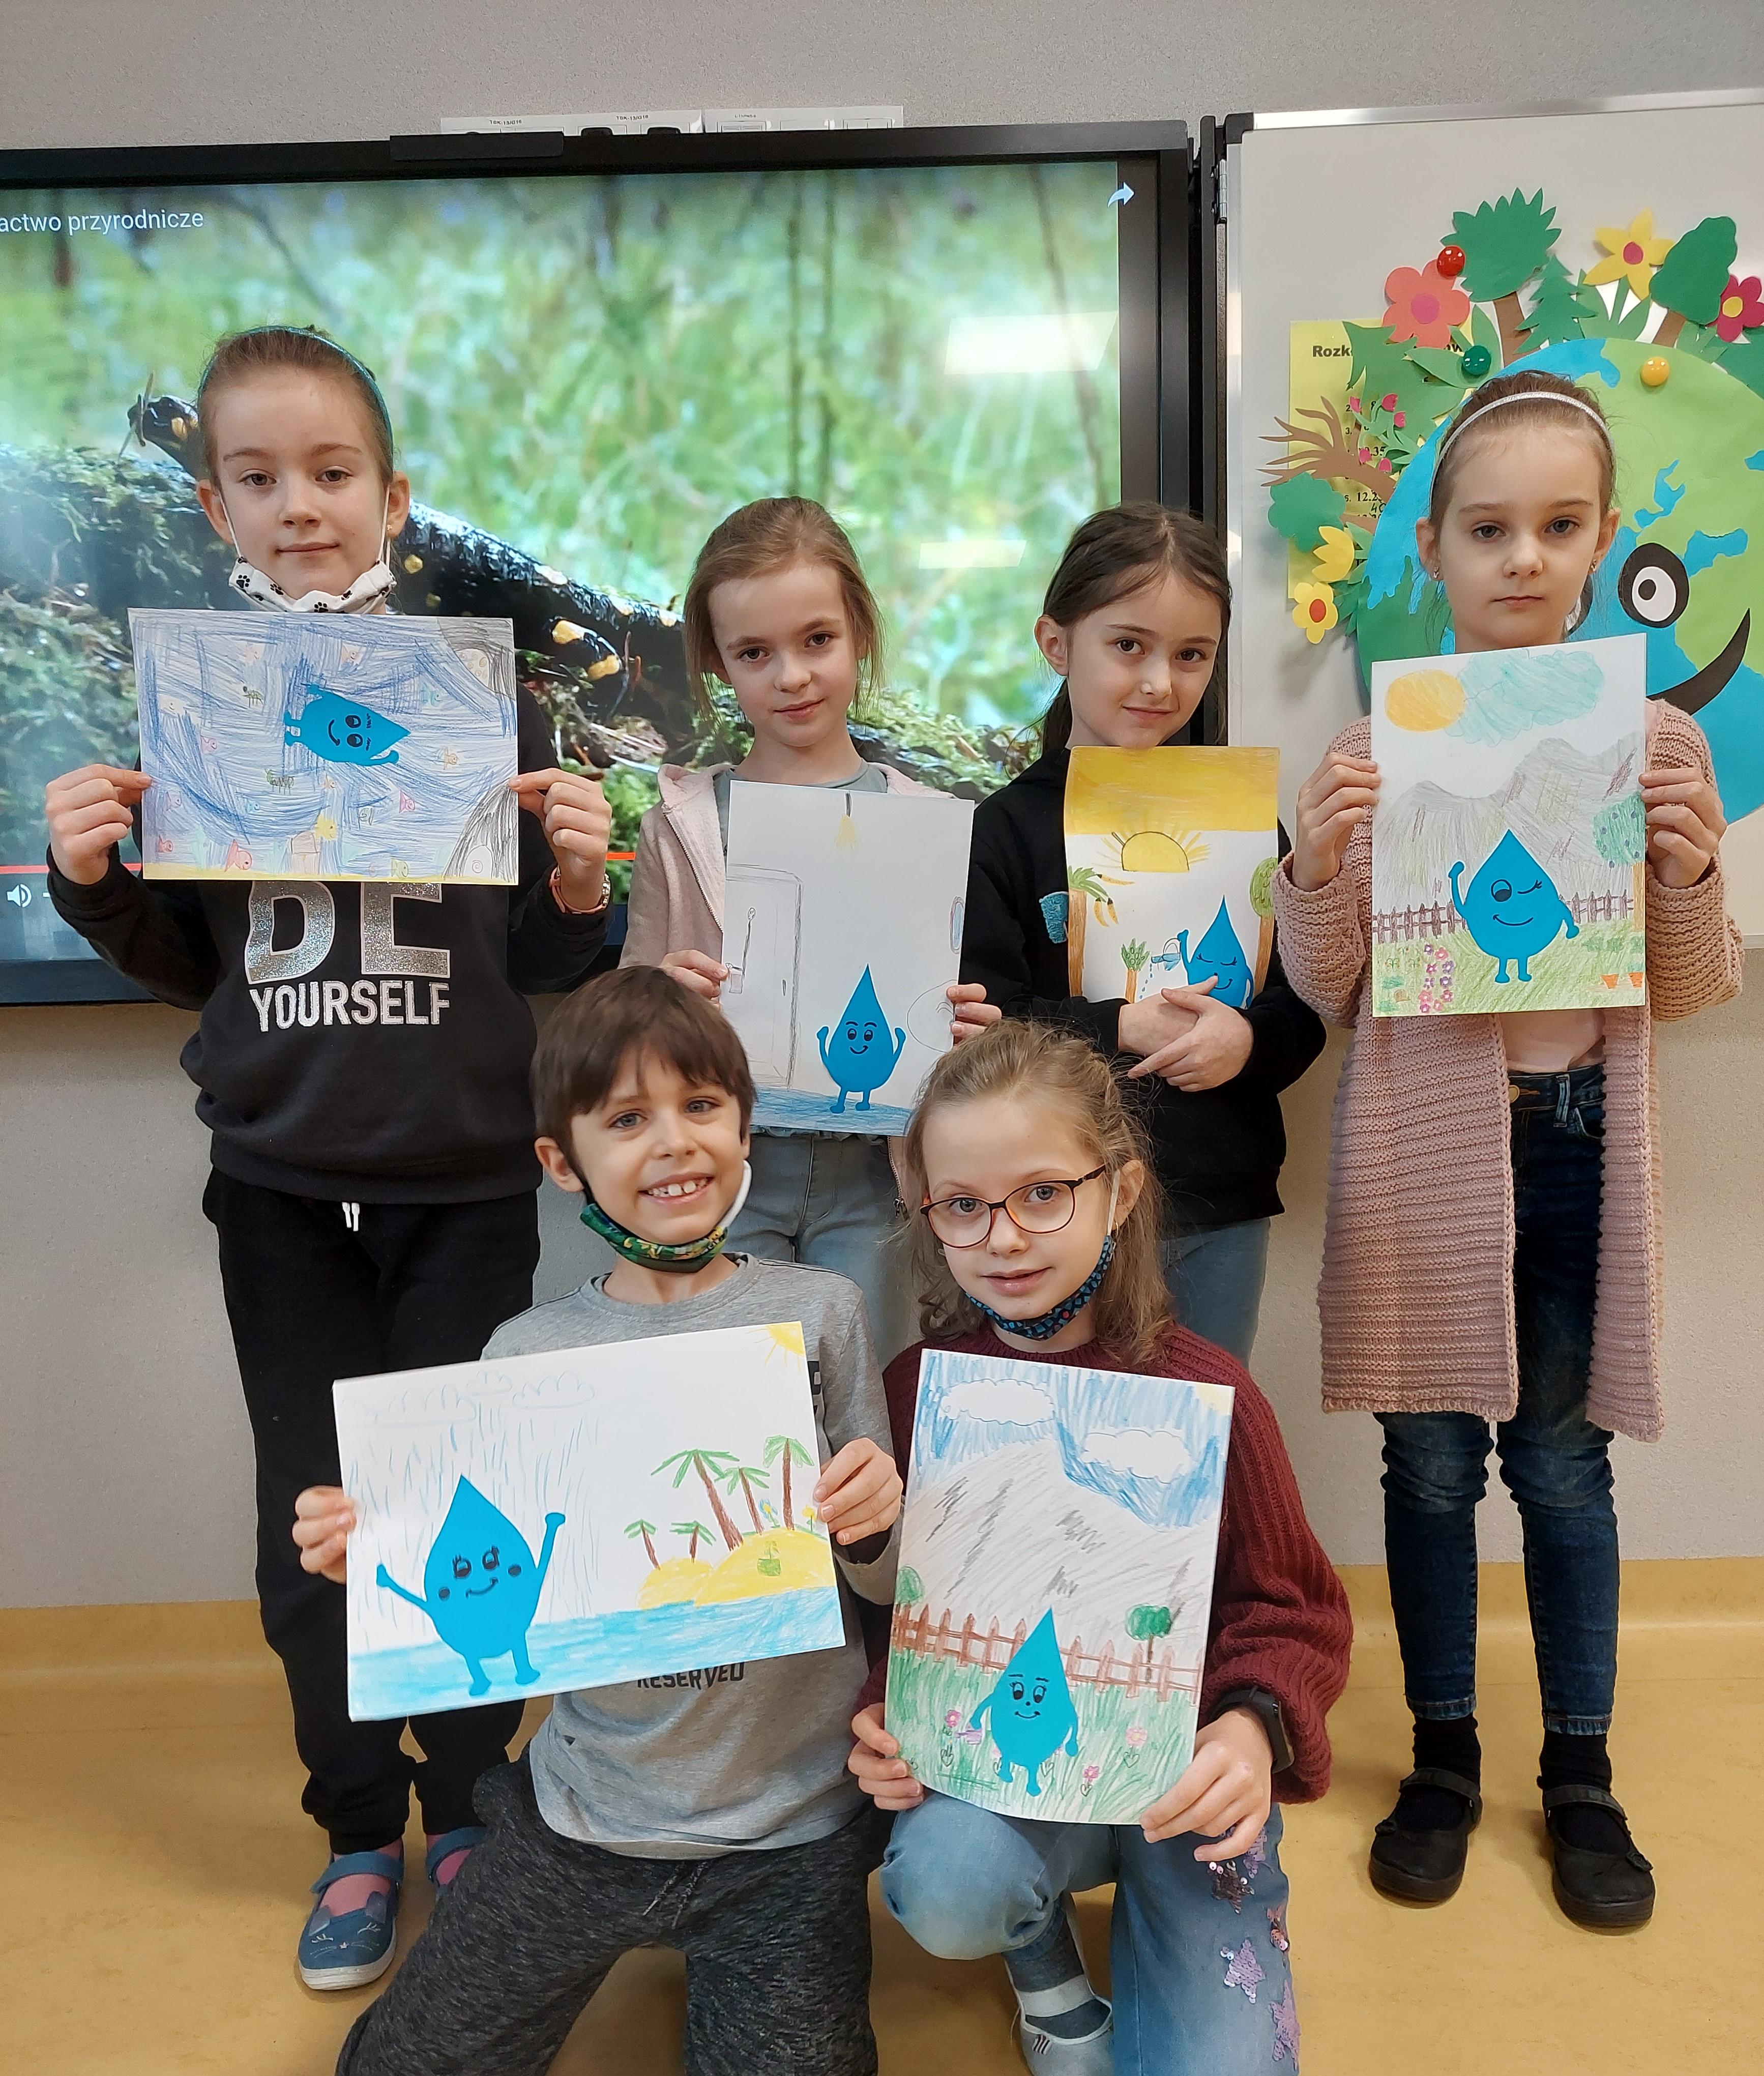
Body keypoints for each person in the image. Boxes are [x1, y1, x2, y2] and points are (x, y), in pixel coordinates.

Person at [42, 326, 614, 1990]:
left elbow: (546, 963)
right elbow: (184, 964)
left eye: (332, 470)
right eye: (260, 476)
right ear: (213, 505)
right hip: (282, 1191)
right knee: (314, 1529)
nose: (300, 504)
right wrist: (94, 878)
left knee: (465, 1510)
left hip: (468, 1182)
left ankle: (473, 1804)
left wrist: (583, 884)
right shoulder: (200, 698)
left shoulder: (481, 692)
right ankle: (357, 1824)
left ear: (393, 494)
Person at [293, 965, 904, 2076]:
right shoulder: (527, 1356)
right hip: (585, 1814)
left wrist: (881, 1517)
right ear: (561, 1163)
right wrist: (377, 1571)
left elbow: (884, 1585)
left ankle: (742, 1988)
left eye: (701, 1104)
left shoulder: (823, 1313)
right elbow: (498, 1613)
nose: (673, 1142)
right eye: (627, 1119)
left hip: (788, 1829)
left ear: (745, 1123)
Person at [1274, 370, 1743, 1929]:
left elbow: (1687, 985)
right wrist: (1316, 865)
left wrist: (1685, 870)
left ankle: (1580, 1775)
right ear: (1432, 548)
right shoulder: (1379, 745)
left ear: (1602, 541)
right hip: (1425, 1151)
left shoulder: (1653, 740)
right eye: (1487, 529)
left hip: (1577, 1140)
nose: (1522, 557)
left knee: (1558, 1464)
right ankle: (1441, 1755)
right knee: (1425, 1465)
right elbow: (1326, 986)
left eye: (1556, 526)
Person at [846, 1022, 1350, 2076]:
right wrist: (883, 1717)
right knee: (948, 1880)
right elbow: (895, 1612)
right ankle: (1040, 1953)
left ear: (1119, 1192)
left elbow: (1293, 1608)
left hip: (1177, 1784)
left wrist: (1251, 1729)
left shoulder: (1209, 1391)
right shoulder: (916, 1391)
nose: (1004, 1236)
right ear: (927, 1211)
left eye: (1043, 1193)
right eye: (964, 1204)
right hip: (1011, 1767)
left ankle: (1173, 1917)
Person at [622, 496, 996, 1365]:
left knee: (863, 1401)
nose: (791, 676)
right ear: (716, 661)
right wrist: (661, 999)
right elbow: (624, 1026)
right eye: (755, 653)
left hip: (876, 1183)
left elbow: (948, 1016)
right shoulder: (680, 823)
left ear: (859, 631)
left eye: (817, 640)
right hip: (724, 1177)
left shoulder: (927, 822)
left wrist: (971, 1034)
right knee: (737, 1402)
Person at [958, 503, 1326, 1364]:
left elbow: (1304, 1002)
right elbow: (986, 1023)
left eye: (1192, 655)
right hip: (1050, 1207)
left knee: (1204, 1422)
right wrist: (1122, 1024)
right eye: (1129, 645)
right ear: (1057, 644)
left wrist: (1245, 1040)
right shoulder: (1006, 828)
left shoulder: (1244, 822)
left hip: (1216, 1200)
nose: (1160, 681)